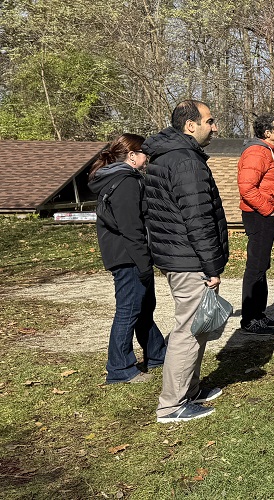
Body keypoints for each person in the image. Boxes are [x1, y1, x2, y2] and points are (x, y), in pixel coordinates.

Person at [144, 99, 228, 423]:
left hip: (181, 255)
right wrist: (211, 267)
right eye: (210, 121)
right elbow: (198, 219)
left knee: (198, 327)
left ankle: (189, 390)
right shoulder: (184, 161)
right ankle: (172, 405)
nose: (215, 127)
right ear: (190, 126)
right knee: (189, 331)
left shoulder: (171, 156)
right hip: (189, 259)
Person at [88, 134, 167, 385]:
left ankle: (157, 354)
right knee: (129, 310)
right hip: (128, 256)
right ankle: (120, 368)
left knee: (143, 308)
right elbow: (131, 228)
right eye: (145, 153)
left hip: (128, 254)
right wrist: (144, 262)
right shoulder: (125, 182)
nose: (148, 158)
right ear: (132, 155)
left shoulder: (121, 178)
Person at [237, 115, 274, 335]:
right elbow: (246, 188)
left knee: (261, 265)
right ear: (267, 133)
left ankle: (258, 314)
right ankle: (250, 320)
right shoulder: (257, 152)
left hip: (264, 215)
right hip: (259, 215)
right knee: (255, 267)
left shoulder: (268, 151)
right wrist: (268, 211)